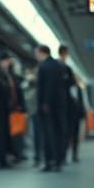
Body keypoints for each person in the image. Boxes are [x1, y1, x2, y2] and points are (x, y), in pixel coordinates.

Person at [35, 43, 67, 172]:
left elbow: (47, 86)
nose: (36, 56)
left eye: (36, 53)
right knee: (58, 133)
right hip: (59, 105)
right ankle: (58, 161)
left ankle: (49, 161)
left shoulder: (44, 66)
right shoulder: (58, 65)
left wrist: (45, 103)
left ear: (42, 52)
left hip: (47, 106)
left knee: (48, 134)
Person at [0, 52, 27, 163]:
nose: (8, 63)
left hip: (13, 108)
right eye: (7, 60)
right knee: (5, 133)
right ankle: (7, 155)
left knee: (16, 132)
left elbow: (18, 91)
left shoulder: (12, 75)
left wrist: (22, 107)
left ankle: (16, 153)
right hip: (3, 108)